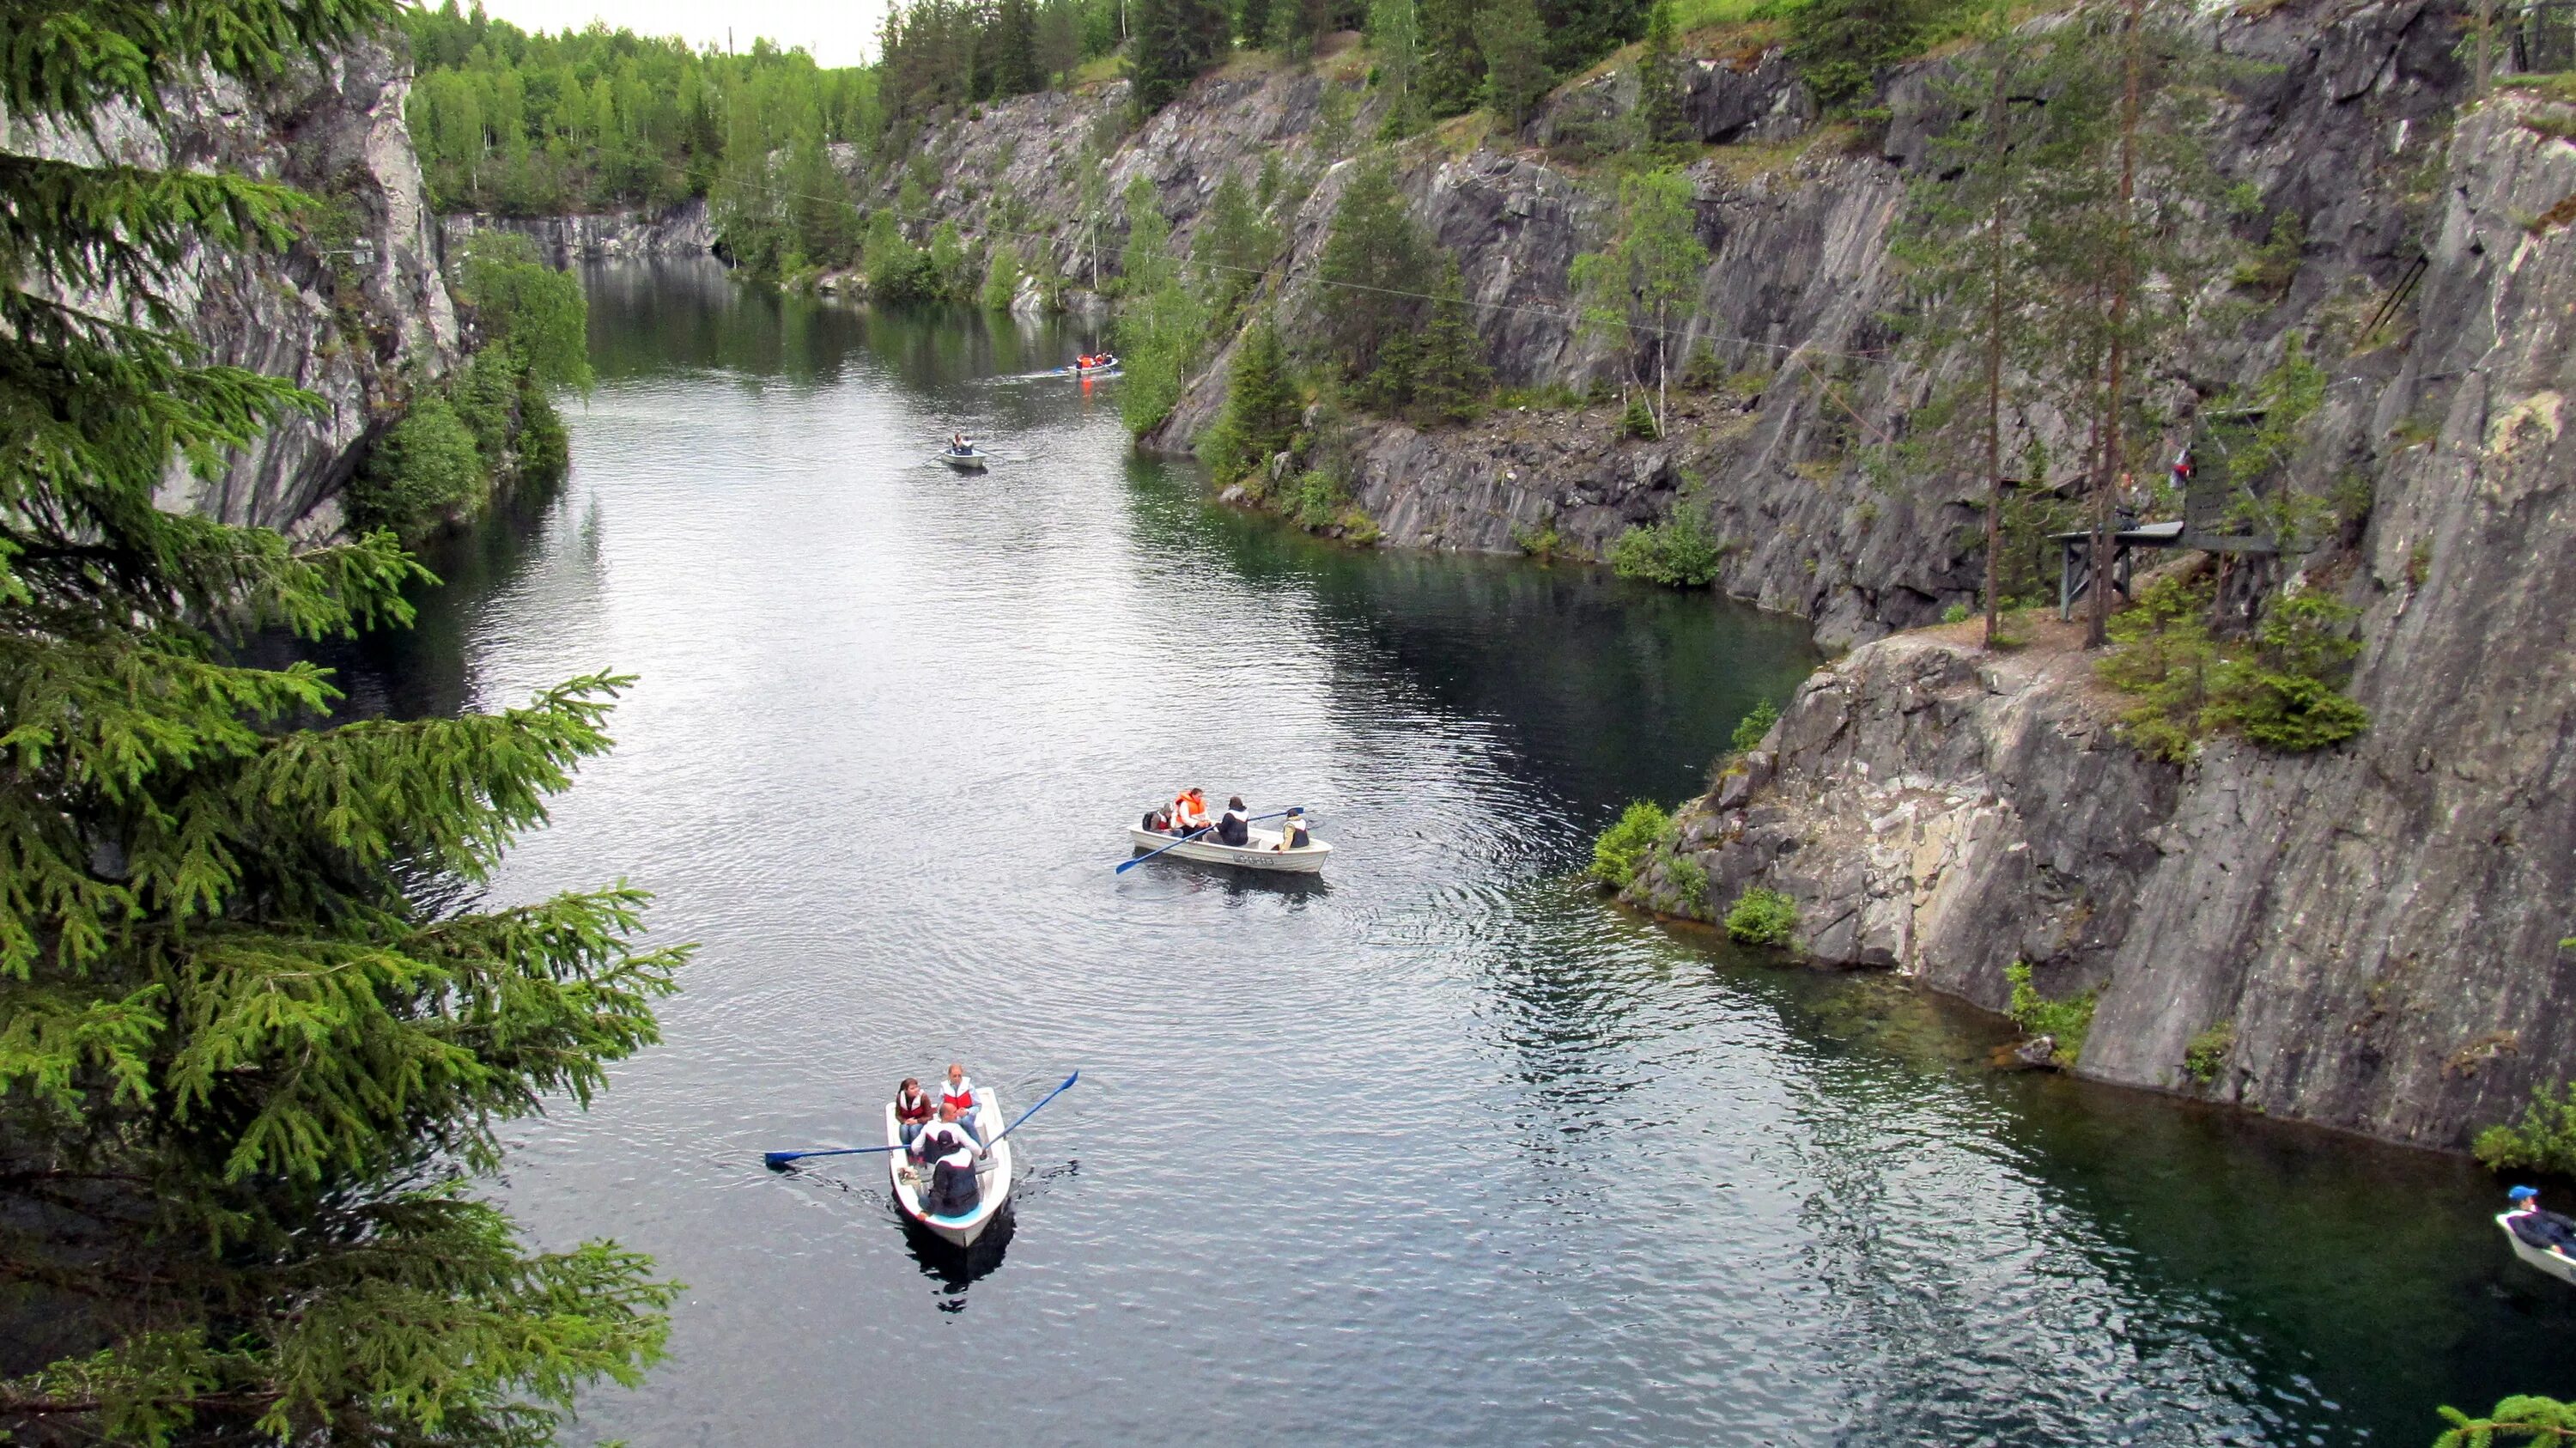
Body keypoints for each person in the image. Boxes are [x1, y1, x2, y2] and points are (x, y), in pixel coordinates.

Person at [908, 1102, 986, 1218]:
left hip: (933, 1167)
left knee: (925, 1199)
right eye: (954, 1112)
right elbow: (972, 1146)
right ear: (946, 1115)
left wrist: (928, 1212)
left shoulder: (928, 1127)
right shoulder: (956, 1130)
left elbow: (915, 1147)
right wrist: (981, 1153)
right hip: (966, 1192)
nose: (957, 1114)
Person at [2506, 1186, 2576, 1256]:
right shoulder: (2515, 1218)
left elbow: (2554, 1217)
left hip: (2565, 1235)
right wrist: (2549, 1244)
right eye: (2529, 1197)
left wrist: (2572, 1224)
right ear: (2523, 1201)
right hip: (2556, 1243)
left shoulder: (2534, 1210)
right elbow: (2525, 1234)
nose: (2532, 1200)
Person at [940, 1062, 981, 1138]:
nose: (957, 1078)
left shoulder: (969, 1087)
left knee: (966, 1121)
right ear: (949, 1076)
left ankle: (978, 1145)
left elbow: (978, 1106)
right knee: (957, 1122)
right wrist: (952, 1114)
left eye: (959, 1076)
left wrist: (967, 1111)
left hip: (968, 1113)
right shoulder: (944, 1089)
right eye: (954, 1076)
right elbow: (940, 1109)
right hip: (952, 1115)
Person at [894, 1078, 933, 1145]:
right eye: (912, 1089)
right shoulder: (899, 1097)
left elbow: (930, 1117)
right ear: (906, 1090)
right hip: (907, 1121)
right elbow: (898, 1115)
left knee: (913, 1129)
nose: (916, 1090)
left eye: (917, 1087)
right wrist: (904, 1121)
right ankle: (906, 1149)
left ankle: (916, 1149)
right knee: (903, 1129)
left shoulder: (923, 1097)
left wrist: (917, 1121)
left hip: (921, 1122)